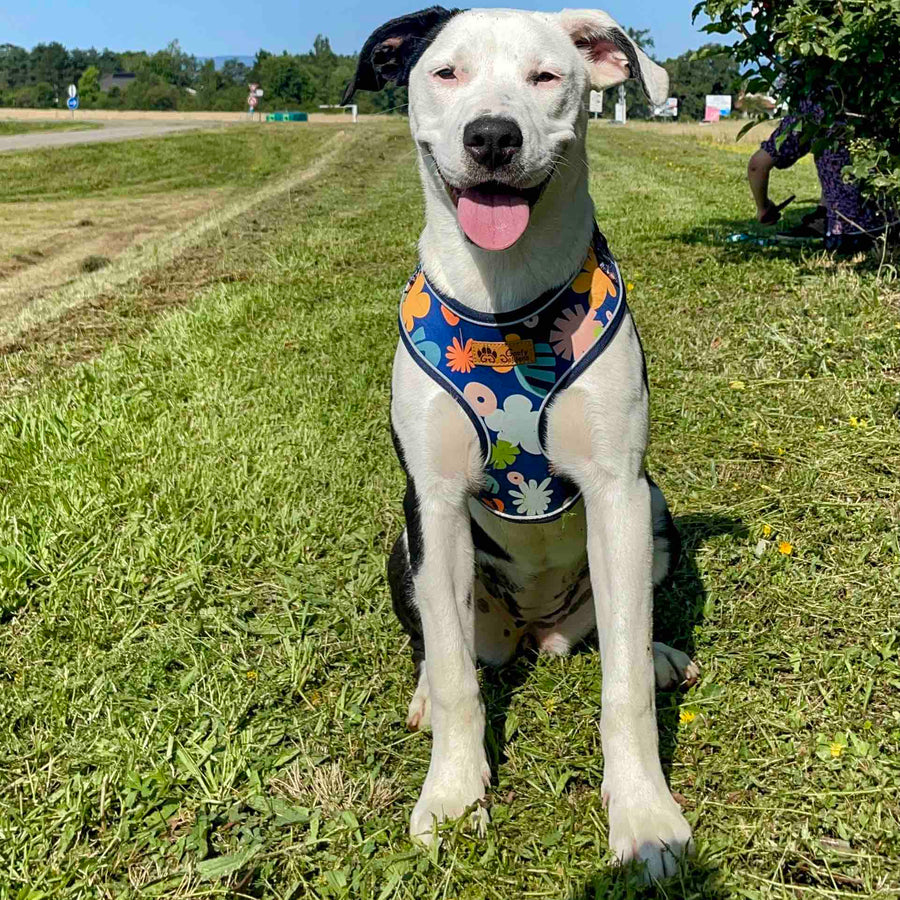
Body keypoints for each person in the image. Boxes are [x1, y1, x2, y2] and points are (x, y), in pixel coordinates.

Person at [748, 98, 891, 252]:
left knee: (832, 158)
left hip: (846, 234)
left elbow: (757, 166)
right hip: (891, 226)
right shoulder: (881, 93)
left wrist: (763, 208)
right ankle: (822, 215)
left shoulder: (815, 101)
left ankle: (825, 218)